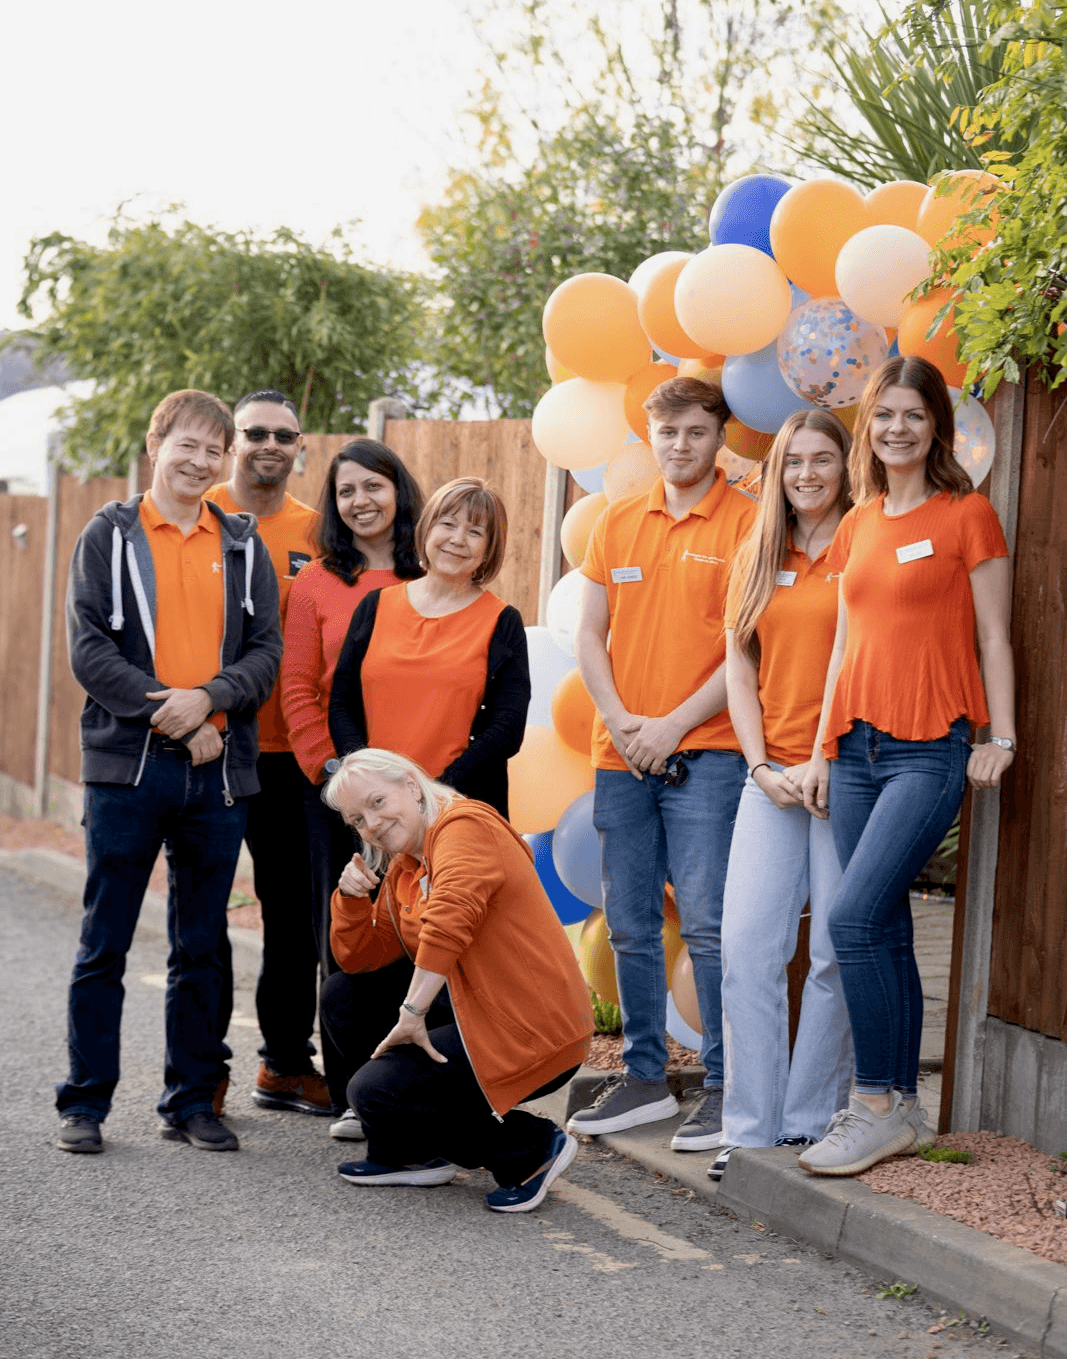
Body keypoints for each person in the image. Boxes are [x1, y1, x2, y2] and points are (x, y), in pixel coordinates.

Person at [799, 355, 1015, 1177]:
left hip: (931, 746)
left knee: (850, 920)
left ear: (936, 426)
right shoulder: (856, 524)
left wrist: (1001, 736)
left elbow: (995, 635)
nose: (896, 428)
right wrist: (822, 746)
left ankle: (872, 1104)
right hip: (854, 748)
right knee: (879, 926)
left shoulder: (967, 515)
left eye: (911, 415)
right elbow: (843, 646)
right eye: (882, 415)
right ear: (870, 426)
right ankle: (901, 1111)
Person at [55, 389, 281, 1155]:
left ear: (225, 463)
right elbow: (89, 651)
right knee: (105, 941)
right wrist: (174, 714)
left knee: (201, 944)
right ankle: (83, 1103)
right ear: (156, 445)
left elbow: (265, 655)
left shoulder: (243, 545)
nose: (199, 460)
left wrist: (211, 702)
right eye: (186, 444)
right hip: (128, 771)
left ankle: (189, 1099)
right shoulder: (108, 536)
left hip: (216, 778)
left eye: (214, 451)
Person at [568, 376, 756, 1151]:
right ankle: (645, 1078)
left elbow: (746, 646)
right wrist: (622, 721)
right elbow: (588, 634)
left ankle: (721, 1087)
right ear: (649, 436)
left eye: (694, 432)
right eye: (666, 432)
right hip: (620, 754)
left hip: (706, 754)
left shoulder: (749, 522)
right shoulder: (617, 522)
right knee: (633, 924)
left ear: (719, 437)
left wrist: (671, 726)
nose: (679, 446)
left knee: (708, 925)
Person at [320, 749, 593, 1212]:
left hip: (529, 1026)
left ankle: (529, 1148)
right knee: (344, 997)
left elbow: (452, 920)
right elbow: (360, 959)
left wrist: (413, 1013)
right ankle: (410, 1154)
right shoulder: (406, 863)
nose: (372, 824)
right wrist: (349, 900)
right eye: (358, 819)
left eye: (377, 802)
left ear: (411, 784)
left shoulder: (465, 827)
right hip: (471, 1007)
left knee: (374, 1092)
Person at [708, 410, 856, 1182]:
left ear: (843, 464)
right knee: (747, 948)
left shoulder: (862, 542)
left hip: (841, 775)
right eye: (792, 460)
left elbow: (857, 655)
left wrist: (822, 756)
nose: (805, 473)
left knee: (832, 950)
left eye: (820, 458)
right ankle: (750, 1124)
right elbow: (737, 665)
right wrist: (761, 764)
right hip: (769, 779)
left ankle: (807, 1121)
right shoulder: (759, 551)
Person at [204, 389, 330, 1117]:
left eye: (284, 434)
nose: (269, 444)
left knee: (290, 918)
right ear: (233, 441)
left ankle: (283, 1064)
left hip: (290, 755)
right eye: (255, 432)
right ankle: (203, 1067)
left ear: (298, 445)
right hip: (213, 743)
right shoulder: (202, 513)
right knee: (204, 914)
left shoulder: (318, 531)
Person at [281, 438, 425, 980]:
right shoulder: (316, 582)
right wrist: (334, 773)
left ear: (398, 491)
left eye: (373, 486)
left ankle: (414, 1060)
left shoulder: (430, 575)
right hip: (338, 785)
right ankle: (346, 1065)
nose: (360, 500)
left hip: (422, 782)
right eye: (345, 491)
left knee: (422, 924)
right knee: (349, 928)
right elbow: (296, 689)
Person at [328, 476, 530, 820]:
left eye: (475, 532)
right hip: (376, 808)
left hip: (460, 807)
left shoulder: (503, 621)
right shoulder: (375, 606)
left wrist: (435, 791)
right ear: (427, 530)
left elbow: (507, 728)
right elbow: (342, 703)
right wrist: (372, 781)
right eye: (447, 524)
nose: (457, 540)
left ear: (488, 550)